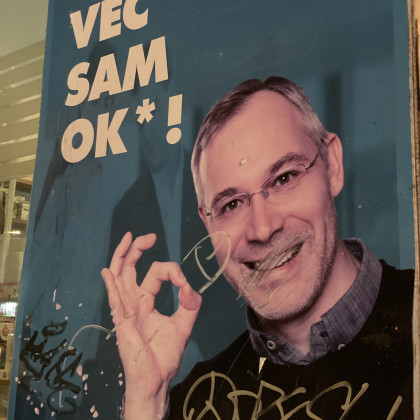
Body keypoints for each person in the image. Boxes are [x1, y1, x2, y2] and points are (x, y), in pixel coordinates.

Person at [101, 77, 414, 419]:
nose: (263, 229)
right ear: (207, 224)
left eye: (284, 179)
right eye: (232, 204)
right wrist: (146, 401)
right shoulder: (195, 402)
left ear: (332, 166)